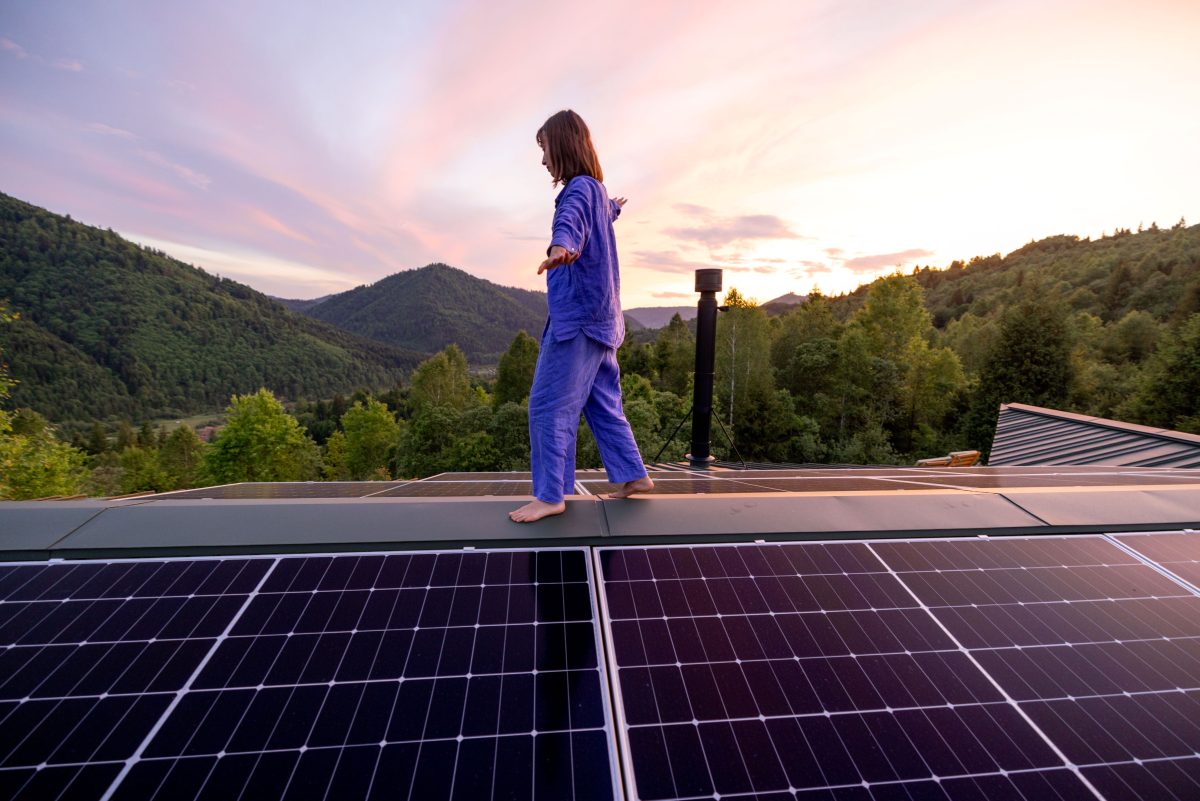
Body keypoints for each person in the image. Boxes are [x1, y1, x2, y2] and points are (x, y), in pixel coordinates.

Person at [509, 110, 654, 523]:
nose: (543, 161)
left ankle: (551, 494)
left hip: (578, 322)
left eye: (545, 150)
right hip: (605, 322)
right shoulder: (597, 193)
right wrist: (615, 208)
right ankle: (632, 474)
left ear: (563, 147)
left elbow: (570, 222)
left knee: (547, 405)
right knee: (603, 403)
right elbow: (601, 211)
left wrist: (560, 248)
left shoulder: (577, 191)